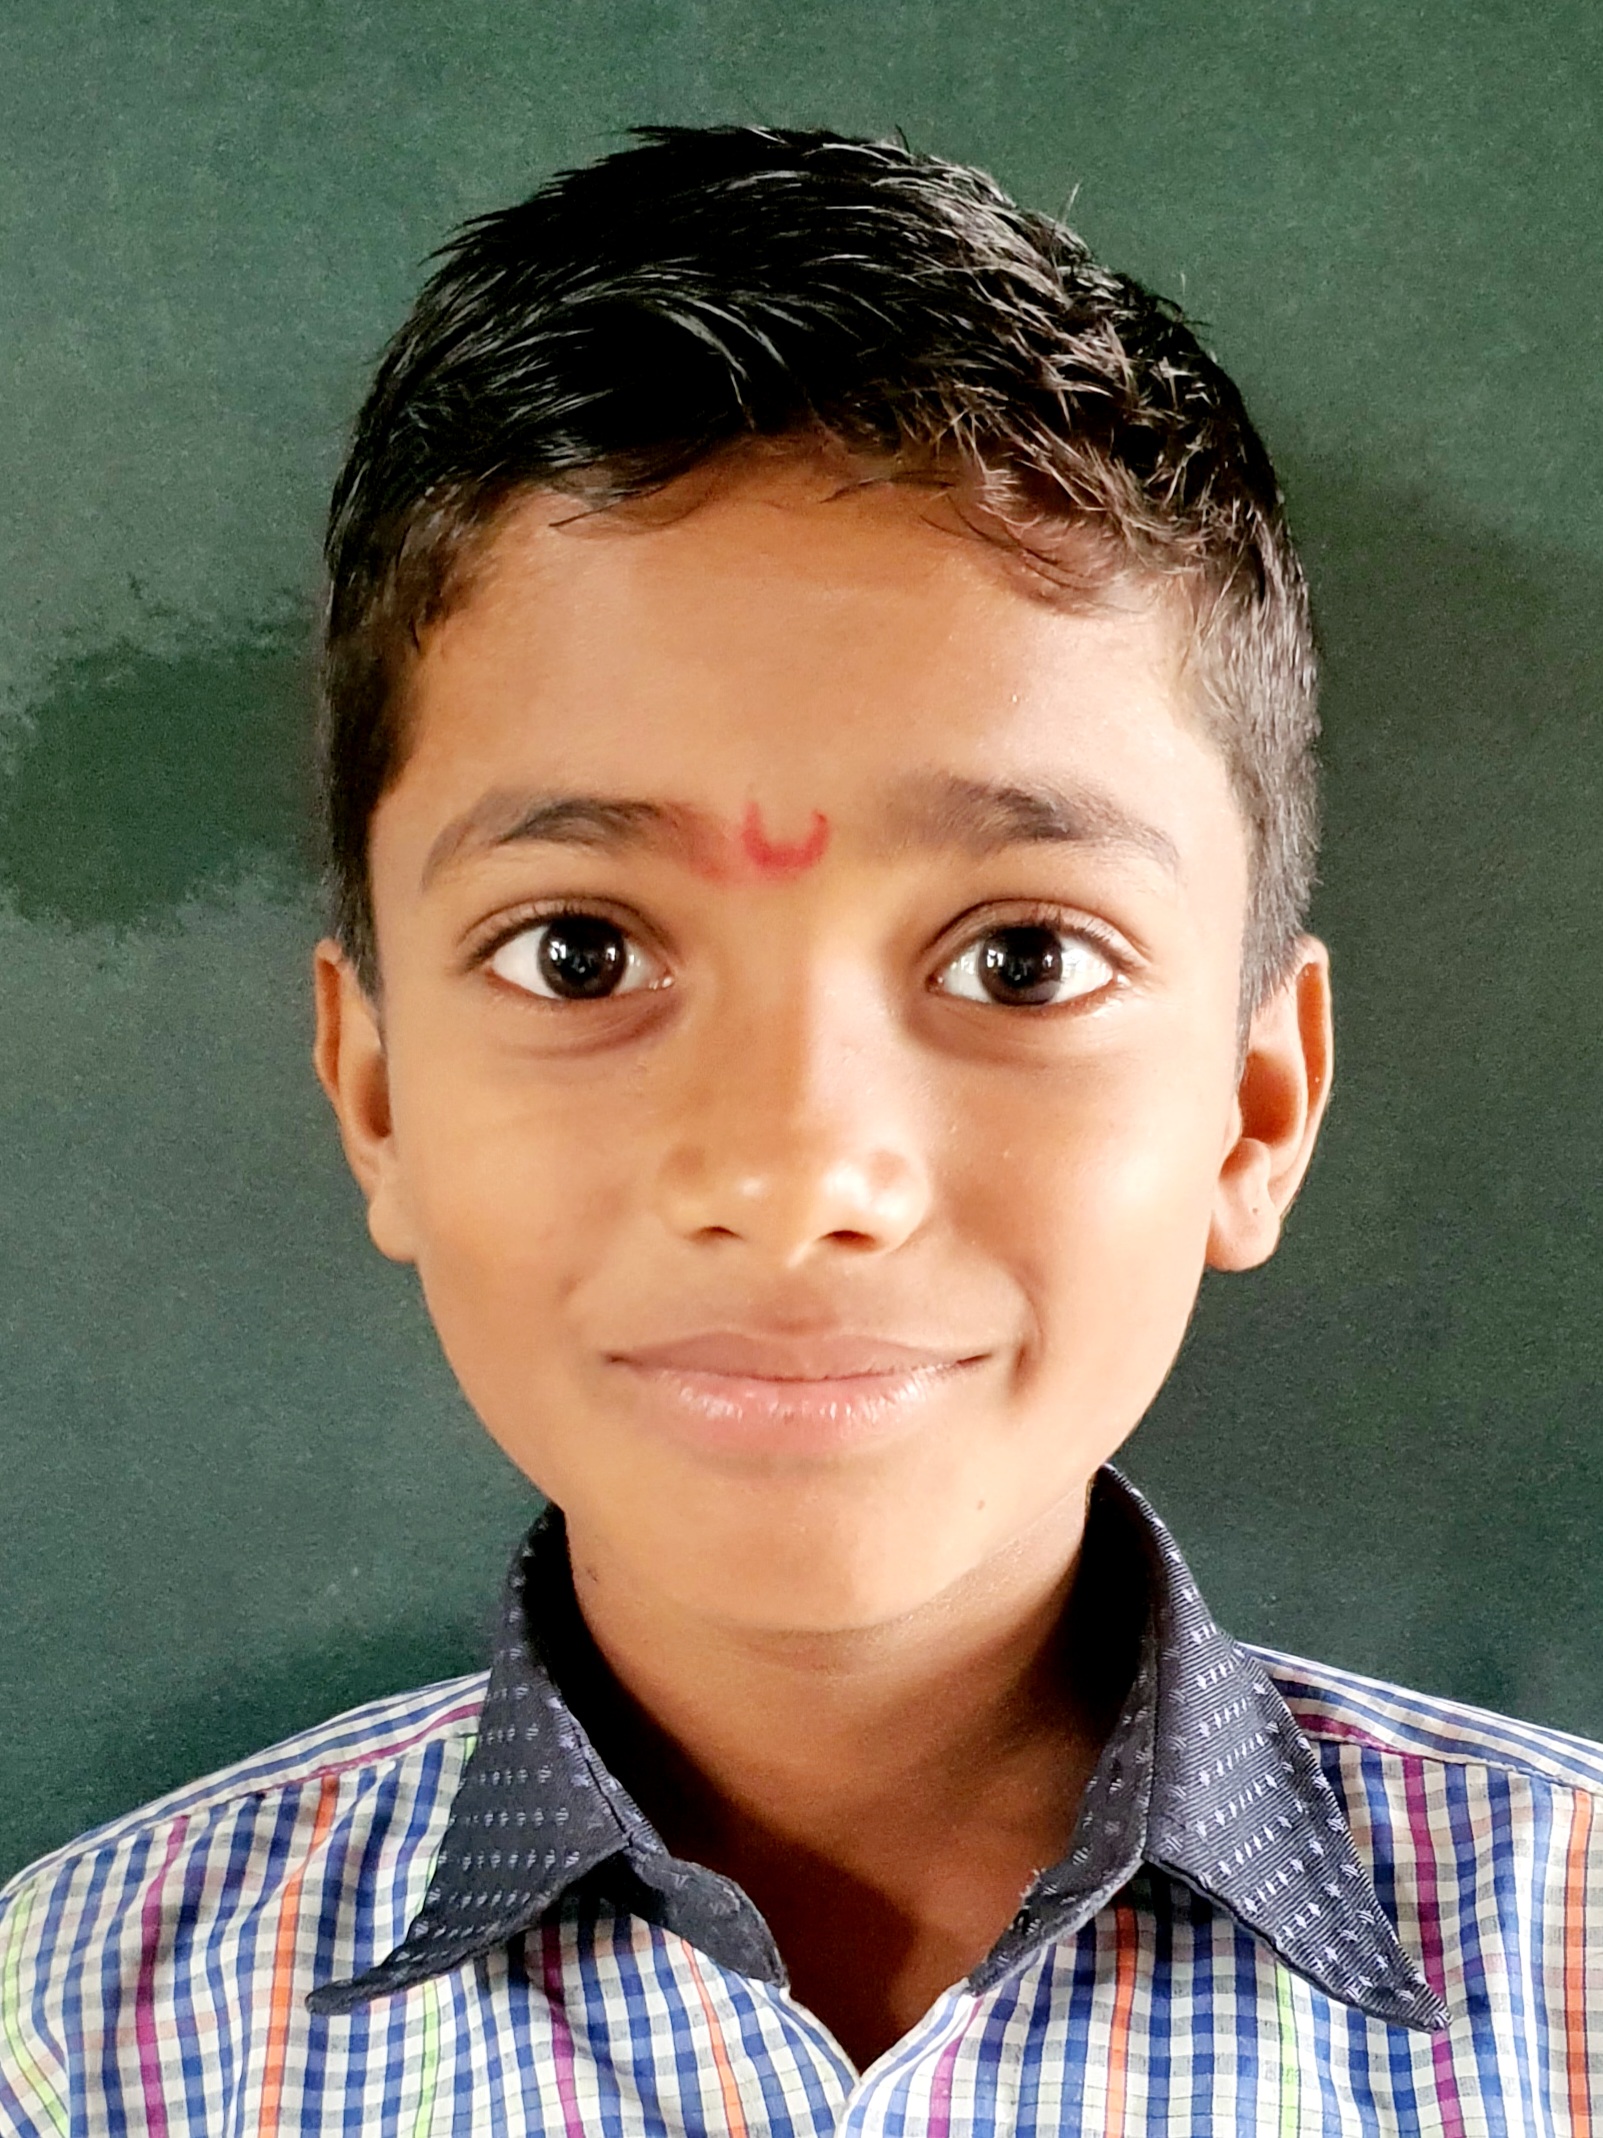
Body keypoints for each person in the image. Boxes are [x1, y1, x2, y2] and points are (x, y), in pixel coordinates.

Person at [1, 125, 1598, 2136]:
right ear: (377, 1086)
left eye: (1021, 957)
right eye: (581, 951)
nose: (794, 1176)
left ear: (1254, 1104)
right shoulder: (77, 2046)